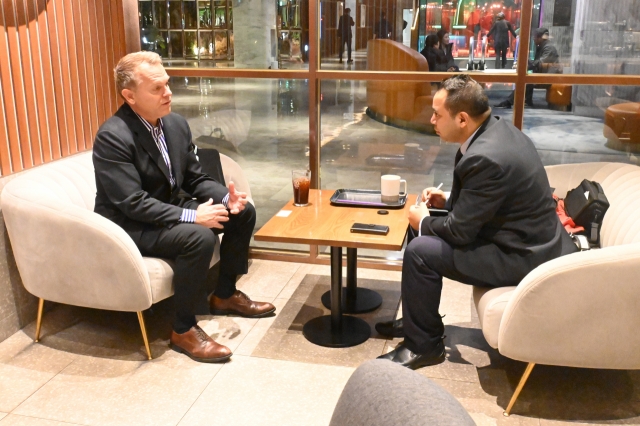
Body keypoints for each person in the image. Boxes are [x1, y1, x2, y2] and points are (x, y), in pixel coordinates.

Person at [375, 74, 576, 369]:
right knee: (420, 230)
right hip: (523, 237)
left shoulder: (486, 157)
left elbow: (459, 232)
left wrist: (425, 222)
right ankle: (419, 321)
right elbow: (487, 202)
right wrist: (447, 204)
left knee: (420, 250)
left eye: (437, 114)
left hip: (523, 256)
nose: (431, 120)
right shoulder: (498, 130)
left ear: (462, 119)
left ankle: (424, 346)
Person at [93, 52, 275, 363]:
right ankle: (183, 328)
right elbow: (133, 202)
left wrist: (224, 198)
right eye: (156, 88)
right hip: (129, 225)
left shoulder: (174, 124)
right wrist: (192, 216)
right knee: (199, 237)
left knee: (241, 213)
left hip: (165, 209)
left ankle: (225, 294)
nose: (168, 93)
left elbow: (194, 177)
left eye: (167, 84)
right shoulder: (113, 136)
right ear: (129, 96)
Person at [496, 27, 561, 108]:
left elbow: (541, 63)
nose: (534, 39)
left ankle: (509, 101)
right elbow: (538, 64)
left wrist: (527, 61)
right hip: (545, 73)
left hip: (549, 76)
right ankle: (527, 101)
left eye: (535, 37)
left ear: (541, 38)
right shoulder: (542, 46)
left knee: (526, 80)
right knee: (527, 78)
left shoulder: (548, 48)